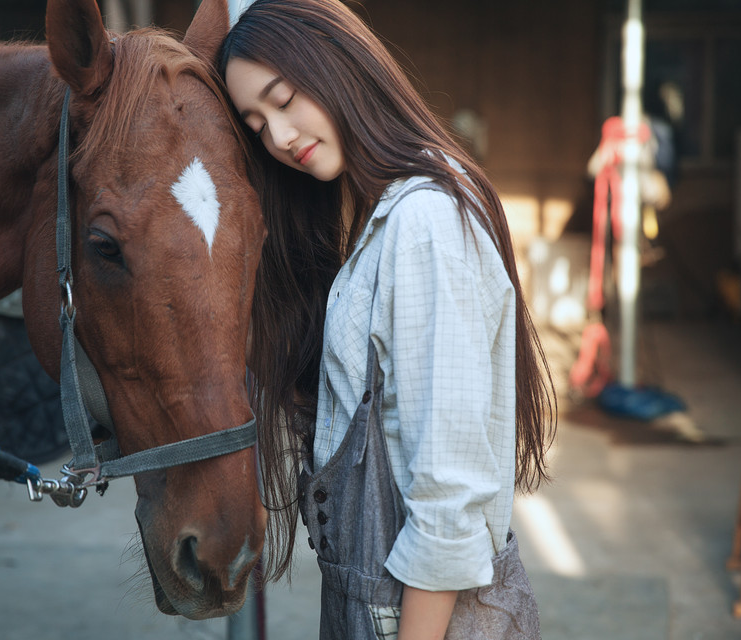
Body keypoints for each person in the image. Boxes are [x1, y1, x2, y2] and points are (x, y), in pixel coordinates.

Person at [217, 1, 556, 637]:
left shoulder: (422, 223)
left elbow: (448, 505)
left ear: (338, 66)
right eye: (257, 123)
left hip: (423, 618)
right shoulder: (363, 222)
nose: (280, 137)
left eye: (284, 98)